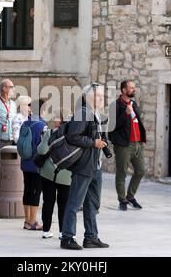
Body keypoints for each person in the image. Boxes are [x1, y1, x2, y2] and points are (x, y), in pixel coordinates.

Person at [60, 83, 109, 250]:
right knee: (75, 203)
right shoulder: (82, 113)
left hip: (96, 166)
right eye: (98, 95)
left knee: (92, 204)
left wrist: (101, 141)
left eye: (102, 95)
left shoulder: (95, 114)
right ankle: (67, 237)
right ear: (88, 97)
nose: (102, 98)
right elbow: (72, 136)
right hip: (84, 166)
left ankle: (91, 237)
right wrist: (93, 142)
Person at [109, 80, 146, 211]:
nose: (133, 90)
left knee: (141, 170)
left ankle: (130, 196)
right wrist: (125, 114)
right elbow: (112, 126)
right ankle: (122, 199)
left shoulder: (133, 104)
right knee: (122, 172)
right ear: (124, 90)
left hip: (137, 144)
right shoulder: (116, 105)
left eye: (134, 88)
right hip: (124, 144)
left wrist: (142, 139)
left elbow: (137, 122)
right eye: (131, 88)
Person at [37, 111, 71, 239]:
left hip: (48, 173)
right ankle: (62, 232)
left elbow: (41, 150)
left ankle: (46, 230)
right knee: (64, 204)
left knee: (48, 202)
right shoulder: (73, 136)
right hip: (66, 174)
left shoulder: (50, 133)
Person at [20, 99, 47, 231]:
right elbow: (43, 146)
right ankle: (33, 221)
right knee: (36, 192)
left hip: (25, 162)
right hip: (37, 164)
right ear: (41, 110)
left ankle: (26, 220)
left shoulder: (25, 123)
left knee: (27, 190)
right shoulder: (42, 125)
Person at [0, 79, 17, 152]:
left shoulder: (13, 104)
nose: (13, 89)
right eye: (11, 87)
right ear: (4, 88)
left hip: (11, 139)